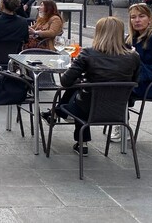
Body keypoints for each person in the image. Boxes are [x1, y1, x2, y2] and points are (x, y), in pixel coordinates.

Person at [55, 17, 140, 155]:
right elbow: (135, 81)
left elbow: (65, 81)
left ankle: (80, 140)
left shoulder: (88, 53)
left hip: (87, 108)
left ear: (99, 33)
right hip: (118, 109)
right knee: (84, 90)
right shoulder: (134, 56)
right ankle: (56, 112)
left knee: (81, 92)